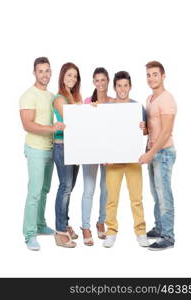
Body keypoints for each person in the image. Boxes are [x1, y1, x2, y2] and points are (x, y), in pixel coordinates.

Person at [19, 57, 65, 251]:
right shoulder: (28, 95)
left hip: (50, 149)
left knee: (45, 190)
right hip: (36, 150)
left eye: (47, 71)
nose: (44, 74)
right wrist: (52, 129)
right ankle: (29, 234)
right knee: (35, 193)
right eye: (40, 71)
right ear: (34, 73)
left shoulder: (51, 95)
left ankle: (39, 224)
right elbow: (27, 125)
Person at [103, 71, 149, 248]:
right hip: (113, 160)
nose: (122, 89)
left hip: (133, 159)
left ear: (130, 87)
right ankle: (111, 232)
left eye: (125, 85)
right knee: (112, 199)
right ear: (115, 87)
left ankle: (141, 232)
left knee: (136, 198)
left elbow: (145, 132)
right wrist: (104, 155)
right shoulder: (108, 107)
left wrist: (143, 127)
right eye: (119, 85)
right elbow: (103, 134)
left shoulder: (137, 107)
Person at [139, 61, 177, 251]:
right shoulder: (150, 99)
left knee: (164, 194)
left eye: (155, 74)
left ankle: (168, 236)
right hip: (153, 152)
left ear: (163, 76)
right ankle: (160, 227)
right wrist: (144, 128)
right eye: (148, 75)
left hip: (163, 152)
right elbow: (152, 129)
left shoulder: (167, 99)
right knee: (155, 193)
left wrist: (151, 153)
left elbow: (166, 131)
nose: (151, 78)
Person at [81, 68, 113, 246]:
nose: (100, 84)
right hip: (90, 151)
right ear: (94, 82)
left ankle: (101, 221)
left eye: (103, 80)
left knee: (105, 189)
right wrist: (89, 110)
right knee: (89, 190)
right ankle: (85, 226)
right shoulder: (88, 101)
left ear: (108, 81)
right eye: (97, 81)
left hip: (108, 152)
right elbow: (82, 126)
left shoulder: (113, 102)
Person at [52, 62, 82, 248]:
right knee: (65, 187)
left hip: (77, 147)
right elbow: (73, 119)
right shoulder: (59, 98)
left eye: (75, 76)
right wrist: (83, 108)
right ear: (62, 76)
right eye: (69, 75)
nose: (72, 79)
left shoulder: (74, 96)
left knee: (69, 189)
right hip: (62, 147)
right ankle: (59, 231)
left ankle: (65, 222)